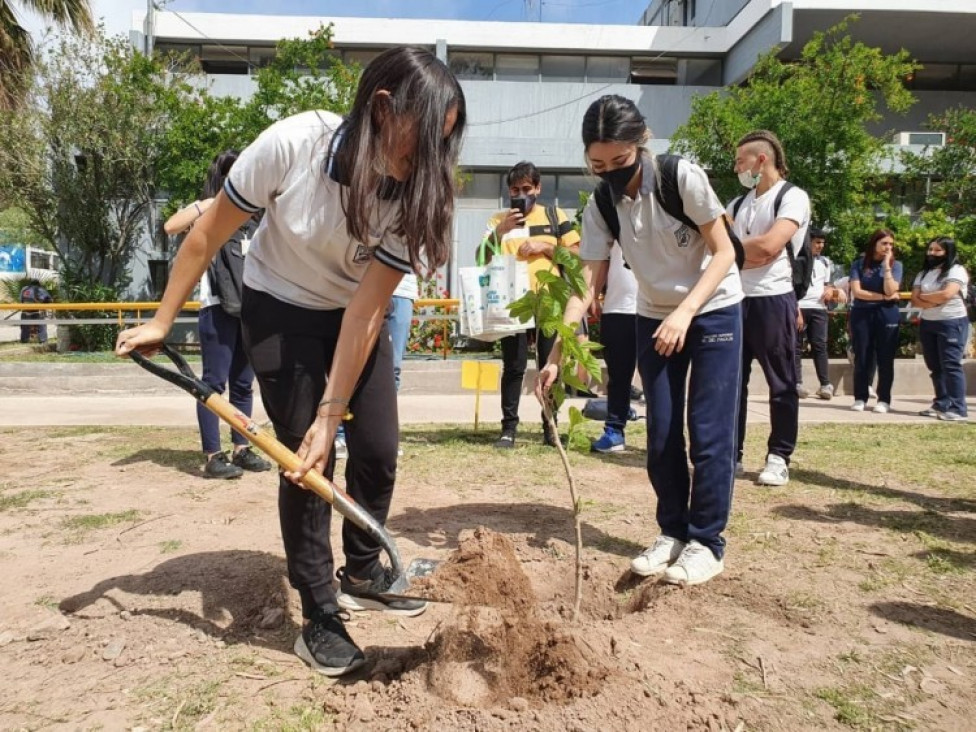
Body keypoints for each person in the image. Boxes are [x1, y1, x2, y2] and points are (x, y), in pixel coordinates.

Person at [116, 47, 466, 677]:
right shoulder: (295, 144)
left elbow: (365, 313)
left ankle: (362, 567)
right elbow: (207, 232)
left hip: (350, 315)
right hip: (278, 307)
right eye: (424, 141)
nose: (432, 161)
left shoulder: (418, 194)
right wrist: (163, 319)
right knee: (306, 461)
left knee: (380, 447)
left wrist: (336, 410)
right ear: (383, 109)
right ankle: (319, 613)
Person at [538, 94, 743, 587]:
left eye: (620, 161)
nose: (609, 172)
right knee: (662, 432)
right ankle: (672, 532)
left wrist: (686, 311)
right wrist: (557, 353)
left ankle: (706, 543)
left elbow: (724, 253)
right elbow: (586, 282)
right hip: (653, 316)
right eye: (597, 164)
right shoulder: (602, 203)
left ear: (641, 141)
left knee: (710, 434)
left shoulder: (681, 177)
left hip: (712, 309)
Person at [163, 151, 272, 480]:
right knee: (212, 383)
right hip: (217, 306)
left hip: (251, 308)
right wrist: (210, 203)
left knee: (243, 384)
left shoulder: (258, 214)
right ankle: (212, 454)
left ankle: (242, 448)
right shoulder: (210, 211)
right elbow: (171, 226)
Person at [729, 130, 811, 487]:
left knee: (782, 383)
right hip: (734, 299)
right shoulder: (738, 204)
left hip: (774, 298)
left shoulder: (791, 197)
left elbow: (770, 246)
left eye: (739, 161)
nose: (736, 168)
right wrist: (745, 254)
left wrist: (734, 254)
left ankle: (779, 456)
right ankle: (731, 454)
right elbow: (717, 250)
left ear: (761, 160)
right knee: (731, 384)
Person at [479, 161, 580, 448]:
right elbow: (480, 259)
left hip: (549, 300)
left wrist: (546, 247)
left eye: (527, 188)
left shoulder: (554, 215)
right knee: (514, 365)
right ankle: (508, 429)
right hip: (514, 305)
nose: (521, 194)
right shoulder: (498, 219)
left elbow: (577, 254)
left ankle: (551, 425)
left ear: (538, 188)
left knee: (550, 364)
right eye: (515, 189)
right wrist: (501, 232)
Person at [911, 237, 970, 421]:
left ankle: (958, 408)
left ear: (948, 252)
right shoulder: (924, 273)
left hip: (951, 322)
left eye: (937, 250)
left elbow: (947, 294)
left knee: (951, 365)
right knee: (935, 366)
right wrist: (932, 300)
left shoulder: (956, 270)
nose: (932, 254)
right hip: (928, 323)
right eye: (930, 249)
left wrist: (926, 298)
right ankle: (941, 403)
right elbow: (914, 298)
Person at [589, 243, 638, 453]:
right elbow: (602, 258)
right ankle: (615, 430)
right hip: (617, 308)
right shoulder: (613, 213)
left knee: (659, 378)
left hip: (656, 307)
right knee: (618, 377)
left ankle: (663, 435)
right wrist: (593, 295)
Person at [849, 229, 902, 413]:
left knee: (885, 358)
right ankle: (860, 397)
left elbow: (891, 289)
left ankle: (884, 399)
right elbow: (858, 292)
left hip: (887, 314)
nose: (888, 247)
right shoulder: (859, 264)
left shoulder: (896, 265)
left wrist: (887, 266)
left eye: (890, 244)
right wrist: (883, 297)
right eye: (884, 243)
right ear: (875, 244)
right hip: (862, 313)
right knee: (862, 356)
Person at [795, 227, 846, 400]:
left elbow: (826, 284)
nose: (820, 246)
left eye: (822, 242)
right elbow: (791, 288)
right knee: (796, 347)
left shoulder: (824, 262)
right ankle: (797, 383)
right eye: (817, 242)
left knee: (820, 346)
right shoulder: (797, 260)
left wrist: (832, 291)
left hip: (819, 308)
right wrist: (795, 310)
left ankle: (825, 384)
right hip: (800, 306)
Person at [19, 278, 53, 344]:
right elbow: (49, 299)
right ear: (38, 284)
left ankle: (24, 340)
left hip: (25, 310)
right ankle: (43, 340)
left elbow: (21, 300)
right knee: (41, 324)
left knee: (25, 326)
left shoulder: (24, 289)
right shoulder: (40, 289)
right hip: (36, 311)